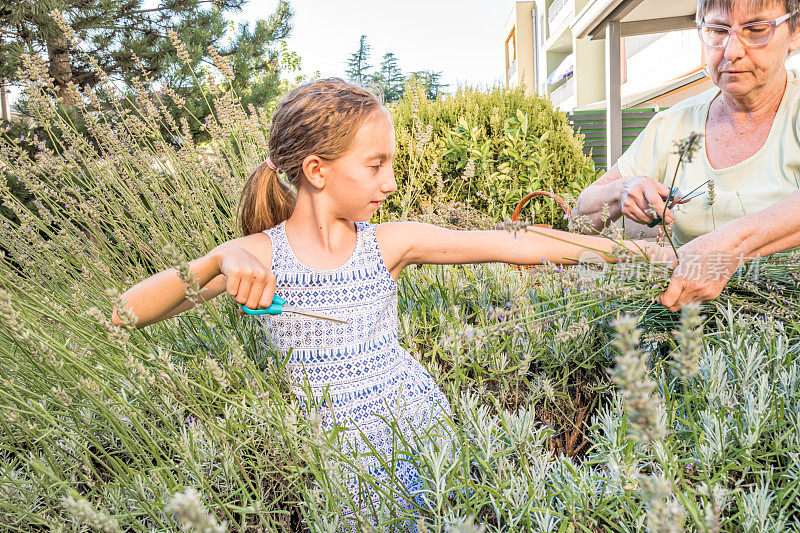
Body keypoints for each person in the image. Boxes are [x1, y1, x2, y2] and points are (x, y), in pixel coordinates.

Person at [112, 78, 659, 523]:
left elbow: (519, 243)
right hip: (341, 447)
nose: (391, 182)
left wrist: (626, 254)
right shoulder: (257, 255)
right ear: (316, 170)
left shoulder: (388, 243)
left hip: (415, 415)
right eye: (376, 165)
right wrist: (217, 260)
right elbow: (127, 312)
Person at [574, 0, 800, 311]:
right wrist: (620, 192)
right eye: (717, 31)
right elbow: (579, 219)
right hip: (687, 330)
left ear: (795, 32)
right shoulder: (672, 125)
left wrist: (731, 246)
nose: (732, 50)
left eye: (757, 29)